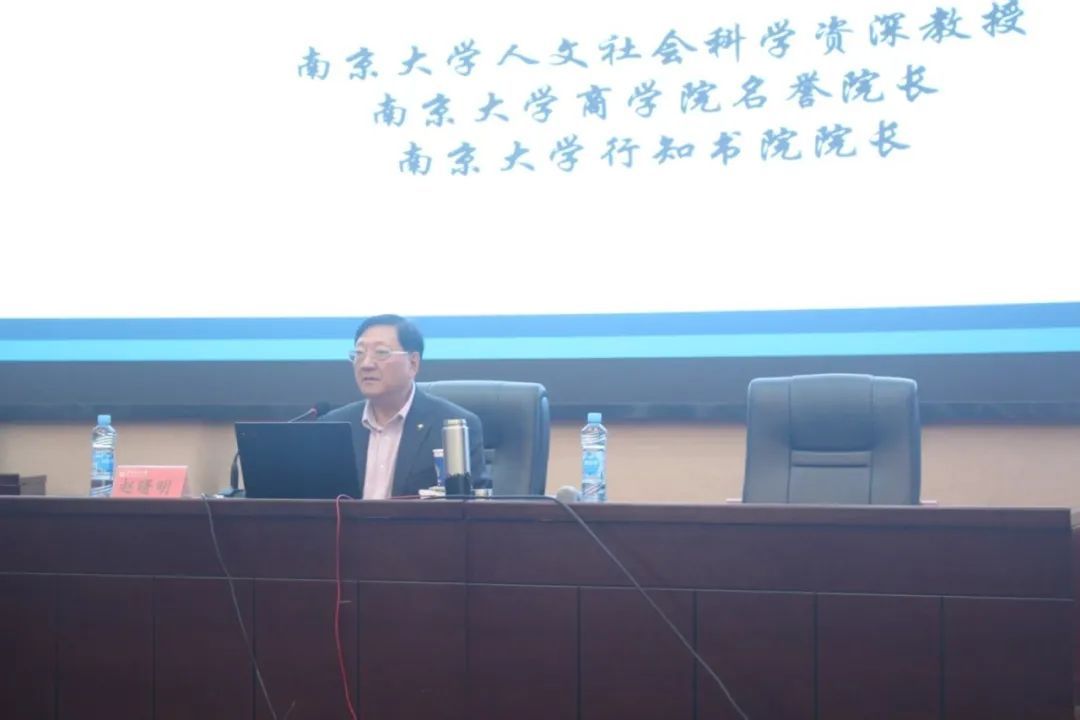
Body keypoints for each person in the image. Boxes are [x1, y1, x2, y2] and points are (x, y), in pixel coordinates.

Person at [320, 314, 487, 498]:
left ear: (413, 363)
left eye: (381, 353)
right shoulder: (333, 425)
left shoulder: (452, 427)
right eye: (359, 353)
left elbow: (472, 507)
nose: (366, 364)